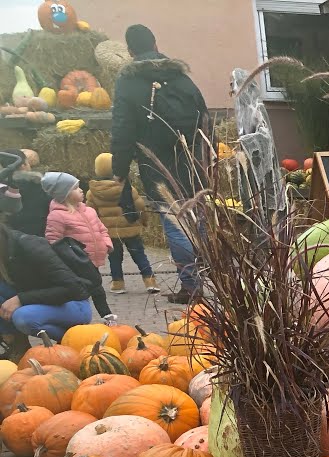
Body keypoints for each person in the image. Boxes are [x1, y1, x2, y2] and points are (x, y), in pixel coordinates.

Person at [110, 24, 209, 305]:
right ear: (155, 44)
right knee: (196, 218)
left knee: (174, 221)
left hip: (158, 162)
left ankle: (191, 286)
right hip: (192, 159)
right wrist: (206, 155)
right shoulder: (180, 76)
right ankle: (205, 273)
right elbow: (204, 116)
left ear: (130, 51)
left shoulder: (128, 82)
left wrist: (119, 170)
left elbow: (122, 129)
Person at [0, 182, 93, 358]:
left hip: (73, 303)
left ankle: (73, 343)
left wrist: (21, 299)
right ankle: (16, 345)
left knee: (23, 317)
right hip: (38, 300)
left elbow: (73, 288)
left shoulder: (29, 245)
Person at [40, 171, 113, 319]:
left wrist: (106, 243)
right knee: (82, 291)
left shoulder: (90, 211)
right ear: (64, 194)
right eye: (75, 188)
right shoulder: (57, 216)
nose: (80, 190)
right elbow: (54, 240)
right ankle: (80, 318)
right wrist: (66, 258)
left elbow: (102, 229)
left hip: (92, 260)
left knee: (97, 288)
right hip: (76, 263)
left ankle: (108, 317)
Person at [86, 153, 158, 294]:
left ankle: (118, 284)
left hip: (109, 232)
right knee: (139, 255)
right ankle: (150, 281)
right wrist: (144, 222)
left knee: (114, 258)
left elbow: (91, 214)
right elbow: (140, 207)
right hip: (131, 228)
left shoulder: (92, 192)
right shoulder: (128, 188)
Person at [0, 149, 50, 237]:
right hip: (39, 233)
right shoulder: (38, 184)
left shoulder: (3, 186)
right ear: (24, 165)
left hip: (11, 236)